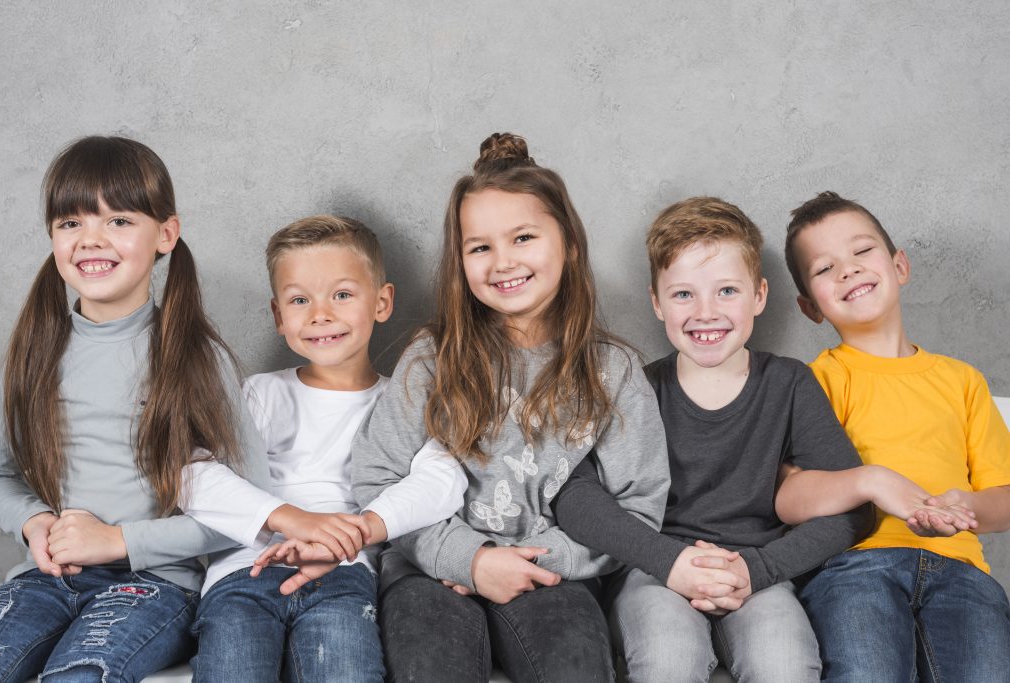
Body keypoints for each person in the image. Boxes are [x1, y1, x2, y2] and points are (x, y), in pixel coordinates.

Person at [350, 132, 670, 683]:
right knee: (431, 668)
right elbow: (379, 480)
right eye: (480, 247)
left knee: (576, 669)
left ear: (569, 243)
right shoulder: (432, 356)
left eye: (523, 237)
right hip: (430, 570)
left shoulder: (611, 370)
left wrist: (535, 562)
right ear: (460, 260)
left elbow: (638, 509)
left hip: (551, 574)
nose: (503, 262)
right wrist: (469, 560)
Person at [553, 196, 873, 682]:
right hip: (655, 570)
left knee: (784, 663)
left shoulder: (789, 384)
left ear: (759, 295)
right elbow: (575, 496)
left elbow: (854, 510)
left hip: (761, 574)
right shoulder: (636, 389)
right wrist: (670, 561)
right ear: (657, 302)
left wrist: (758, 569)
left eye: (727, 291)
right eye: (683, 294)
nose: (706, 313)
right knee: (669, 659)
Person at [0, 136, 270, 682]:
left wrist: (118, 541)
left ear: (165, 234)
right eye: (71, 223)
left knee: (78, 676)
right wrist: (35, 523)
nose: (91, 239)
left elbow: (250, 513)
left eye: (118, 220)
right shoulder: (31, 351)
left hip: (155, 586)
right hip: (44, 579)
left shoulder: (196, 357)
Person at [180, 215, 467, 682]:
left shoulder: (403, 401)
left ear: (382, 302)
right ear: (278, 316)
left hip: (344, 573)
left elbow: (443, 479)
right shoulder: (260, 394)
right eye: (300, 300)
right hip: (245, 571)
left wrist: (354, 533)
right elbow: (191, 473)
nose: (320, 314)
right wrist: (292, 519)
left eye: (342, 294)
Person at [782, 190, 1010, 681]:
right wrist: (869, 481)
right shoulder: (815, 382)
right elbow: (789, 496)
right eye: (825, 268)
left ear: (899, 265)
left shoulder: (963, 381)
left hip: (962, 573)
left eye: (862, 251)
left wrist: (963, 507)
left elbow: (1004, 499)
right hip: (855, 569)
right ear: (809, 306)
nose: (848, 270)